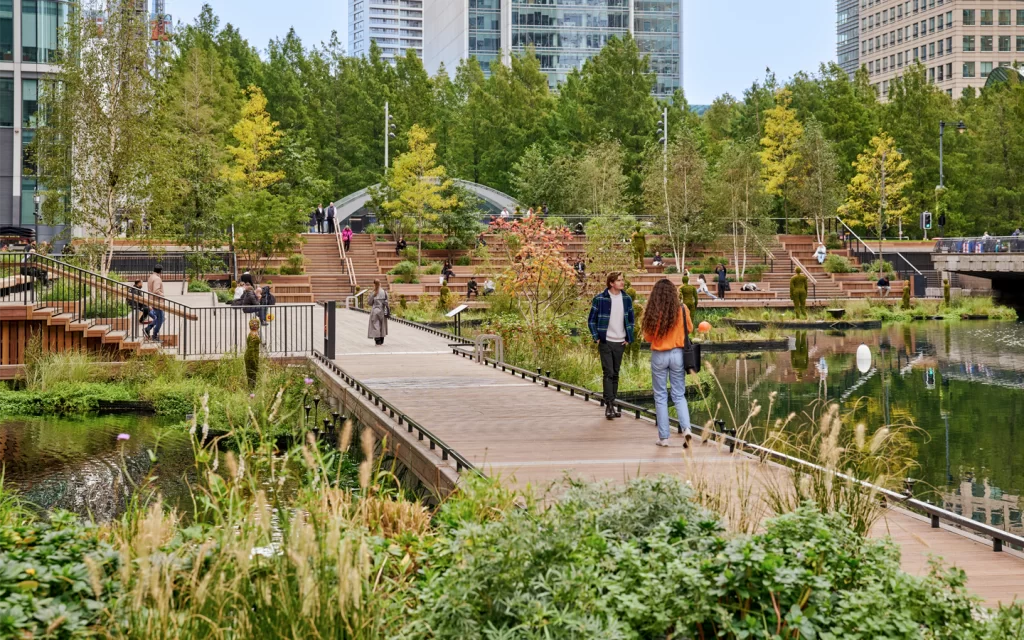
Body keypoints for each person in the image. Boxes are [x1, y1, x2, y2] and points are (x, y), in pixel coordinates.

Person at [642, 278, 694, 448]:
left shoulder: (653, 311)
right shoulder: (682, 308)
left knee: (660, 396)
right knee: (679, 394)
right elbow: (690, 329)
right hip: (678, 354)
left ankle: (664, 438)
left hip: (659, 355)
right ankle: (686, 429)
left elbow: (647, 337)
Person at [587, 272, 635, 420]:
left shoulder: (626, 299)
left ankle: (612, 403)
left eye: (622, 280)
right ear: (611, 283)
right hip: (606, 342)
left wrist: (628, 338)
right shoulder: (600, 299)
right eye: (619, 280)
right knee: (608, 373)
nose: (622, 283)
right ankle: (609, 405)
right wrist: (597, 338)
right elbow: (591, 320)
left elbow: (631, 320)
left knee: (615, 373)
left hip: (620, 342)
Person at [367, 279, 389, 346]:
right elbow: (387, 302)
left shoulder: (373, 293)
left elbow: (369, 303)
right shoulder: (384, 292)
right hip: (382, 310)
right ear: (380, 283)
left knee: (376, 325)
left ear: (374, 284)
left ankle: (377, 340)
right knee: (382, 325)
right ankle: (382, 339)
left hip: (375, 310)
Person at [147, 265, 165, 343]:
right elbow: (156, 290)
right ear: (160, 271)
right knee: (160, 319)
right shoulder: (157, 278)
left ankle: (148, 328)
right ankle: (154, 335)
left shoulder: (151, 277)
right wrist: (162, 295)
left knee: (160, 318)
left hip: (152, 301)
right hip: (157, 302)